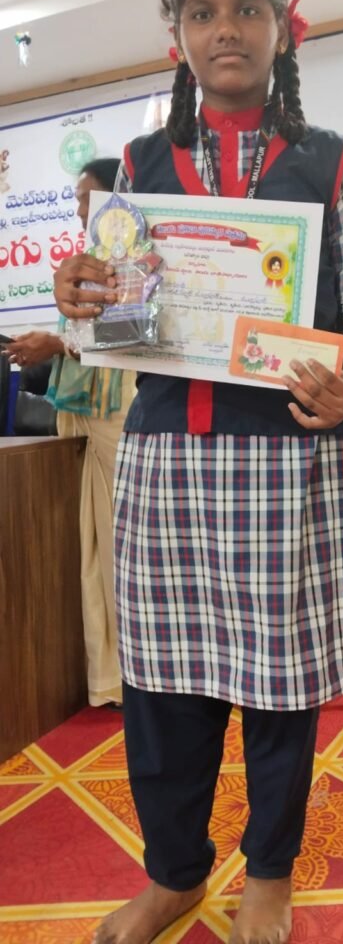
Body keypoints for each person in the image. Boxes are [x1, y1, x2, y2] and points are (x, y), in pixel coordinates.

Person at [53, 0, 343, 944]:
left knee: (280, 687)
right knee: (162, 686)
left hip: (287, 461)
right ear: (179, 37)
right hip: (166, 461)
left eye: (246, 8)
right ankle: (175, 874)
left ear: (282, 29)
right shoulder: (137, 169)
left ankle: (270, 873)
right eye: (202, 12)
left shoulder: (333, 162)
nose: (225, 28)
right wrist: (78, 296)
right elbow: (114, 318)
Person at [6, 158, 134, 708]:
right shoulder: (86, 261)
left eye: (87, 196)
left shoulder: (133, 260)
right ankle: (105, 674)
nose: (79, 207)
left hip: (121, 409)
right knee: (91, 541)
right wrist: (52, 342)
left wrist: (54, 343)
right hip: (85, 411)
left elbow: (127, 333)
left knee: (121, 545)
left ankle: (138, 673)